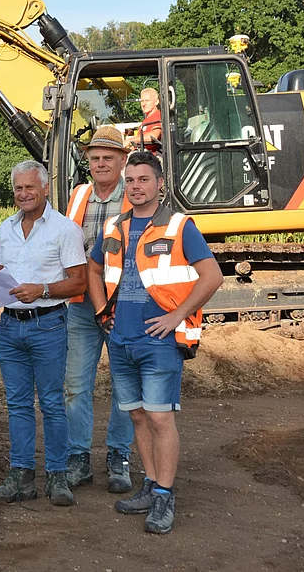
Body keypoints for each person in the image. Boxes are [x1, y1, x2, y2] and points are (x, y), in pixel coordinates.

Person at [87, 151, 223, 534]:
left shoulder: (179, 226)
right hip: (121, 339)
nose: (136, 187)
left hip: (160, 341)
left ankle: (164, 494)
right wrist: (101, 312)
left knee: (160, 418)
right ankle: (150, 484)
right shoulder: (114, 227)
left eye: (144, 179)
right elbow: (93, 270)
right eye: (130, 180)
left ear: (160, 184)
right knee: (137, 415)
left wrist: (178, 315)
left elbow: (212, 276)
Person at [0, 160, 87, 506]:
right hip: (10, 327)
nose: (23, 194)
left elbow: (79, 282)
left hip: (48, 324)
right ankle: (21, 476)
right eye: (18, 188)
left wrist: (43, 289)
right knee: (18, 404)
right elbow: (0, 276)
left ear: (44, 188)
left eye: (29, 187)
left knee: (52, 402)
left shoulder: (65, 229)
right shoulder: (6, 228)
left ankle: (57, 476)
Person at [63, 127, 135, 494]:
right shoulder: (79, 196)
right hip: (81, 305)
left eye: (108, 157)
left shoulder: (135, 195)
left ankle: (119, 455)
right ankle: (79, 457)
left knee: (125, 386)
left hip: (122, 305)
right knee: (76, 386)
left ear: (123, 161)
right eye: (95, 158)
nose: (101, 163)